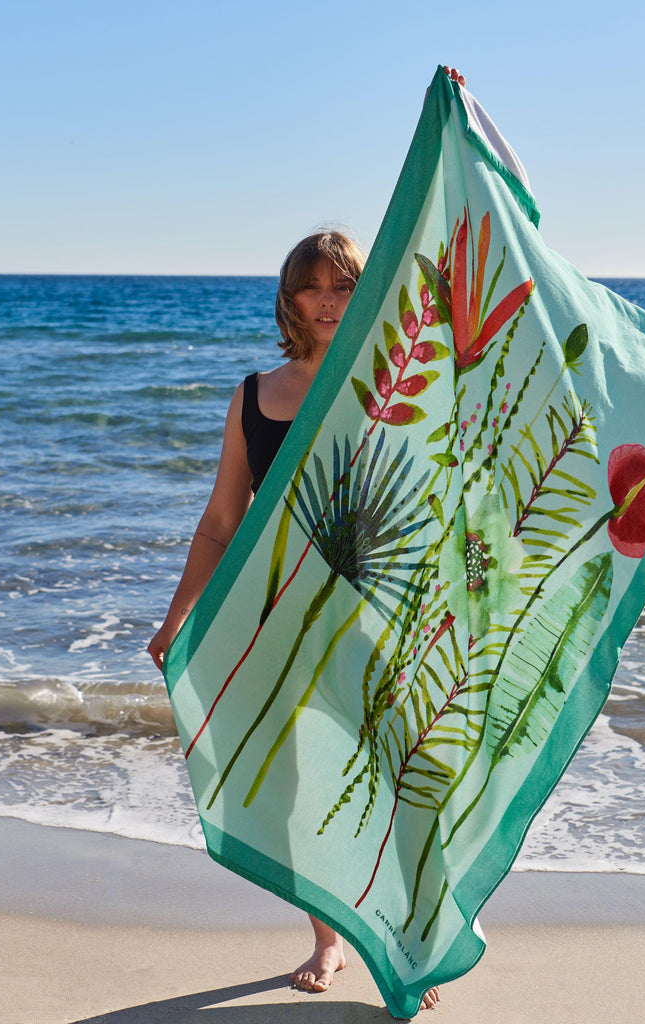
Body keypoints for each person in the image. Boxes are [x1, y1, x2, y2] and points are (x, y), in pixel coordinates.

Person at [148, 66, 465, 1012]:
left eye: (344, 288)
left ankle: (412, 940)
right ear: (288, 297)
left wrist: (453, 131)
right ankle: (328, 941)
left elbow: (439, 280)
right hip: (277, 617)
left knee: (403, 769)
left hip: (374, 608)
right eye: (312, 288)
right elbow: (221, 522)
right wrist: (179, 617)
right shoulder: (252, 397)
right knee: (294, 782)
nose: (328, 302)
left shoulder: (382, 383)